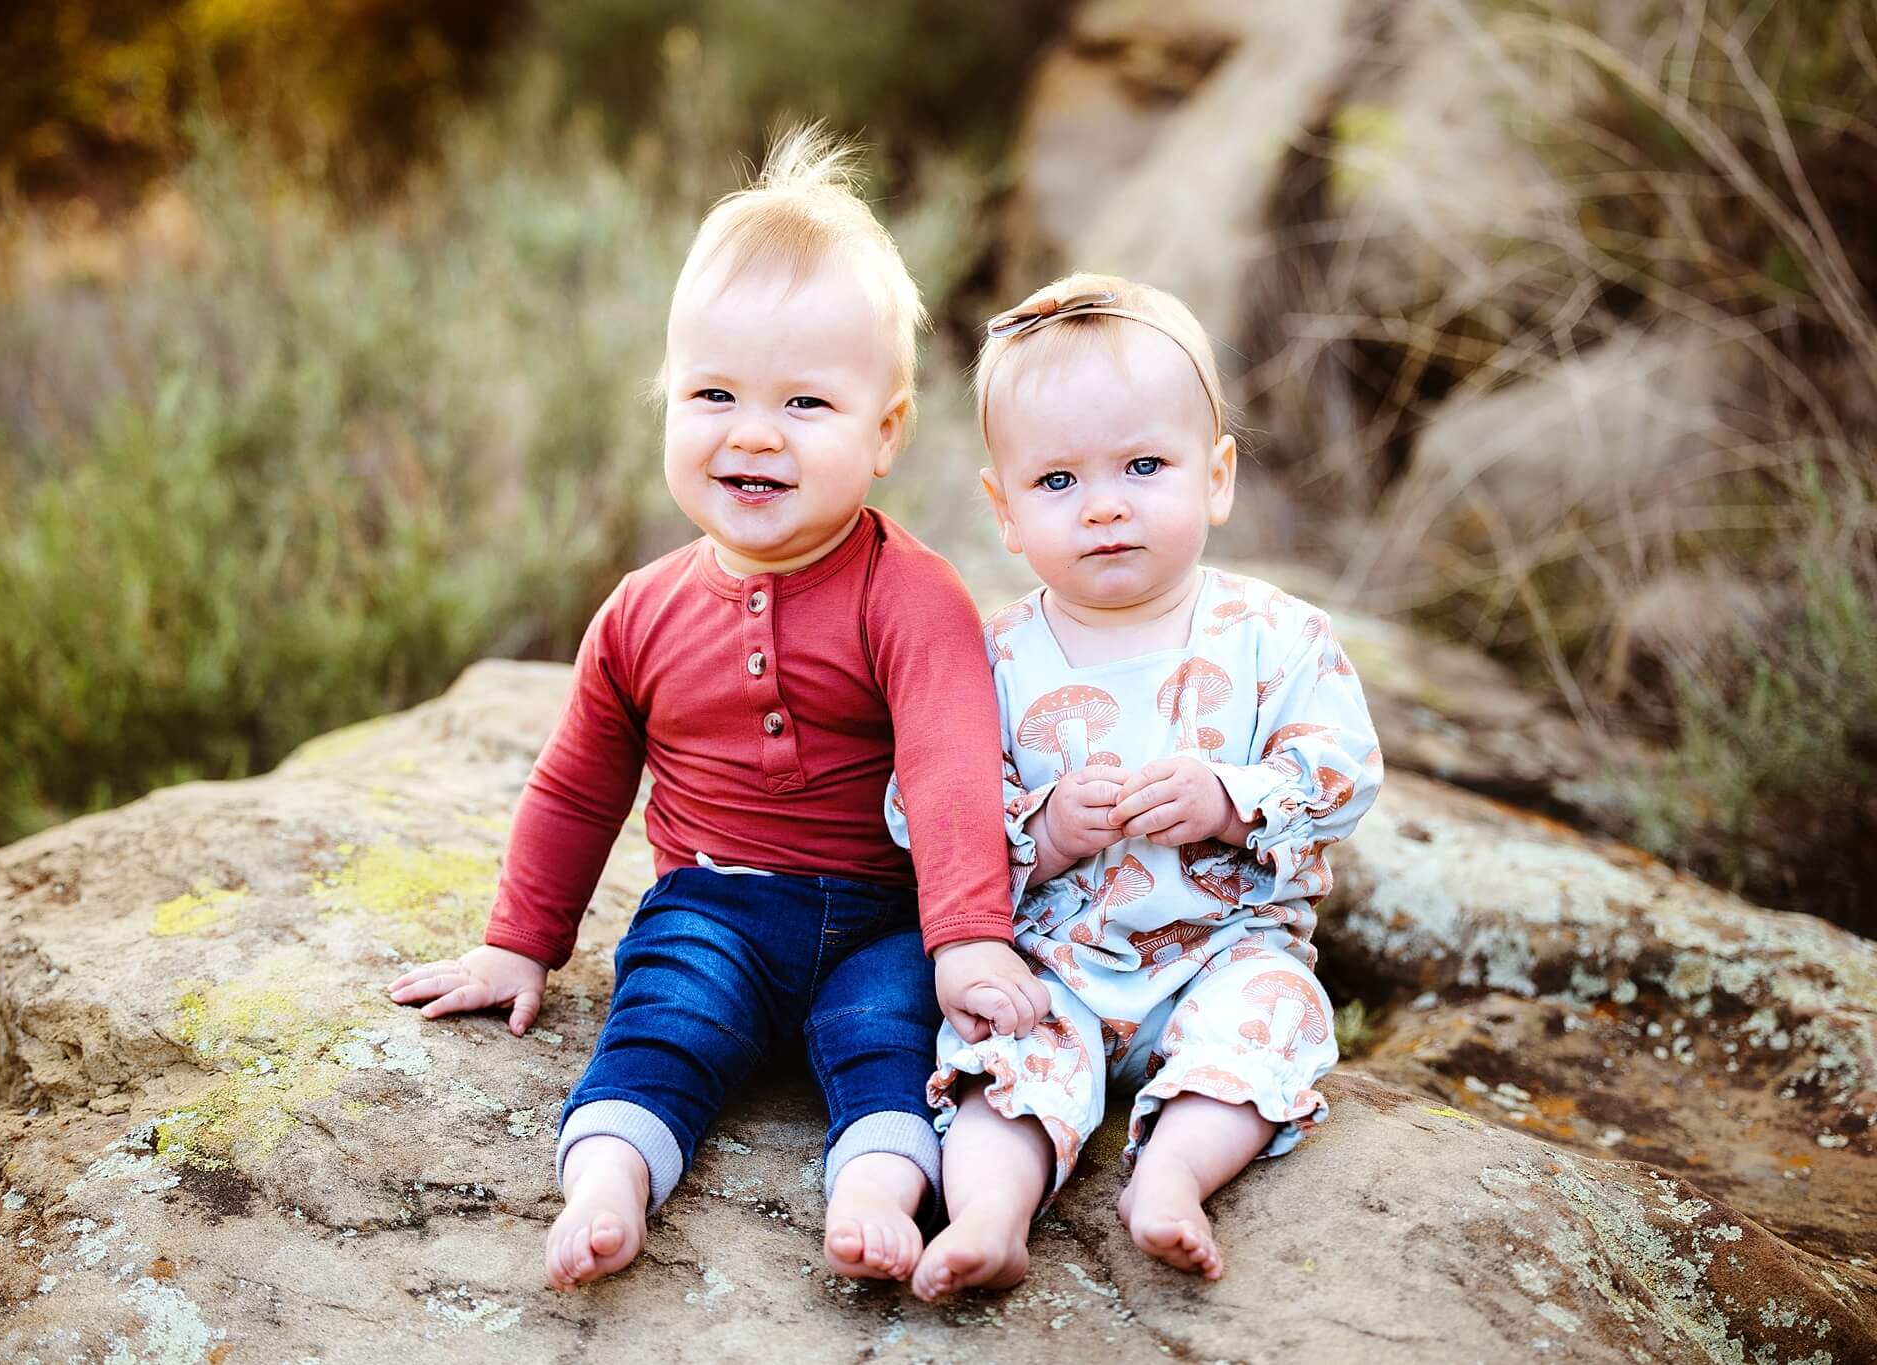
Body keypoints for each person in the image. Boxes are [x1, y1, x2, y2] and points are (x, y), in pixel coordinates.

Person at [386, 127, 1048, 1292]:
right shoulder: (640, 612)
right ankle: (607, 1184)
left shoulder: (913, 598)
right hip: (716, 901)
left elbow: (951, 772)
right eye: (712, 394)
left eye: (804, 401)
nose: (751, 432)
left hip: (883, 919)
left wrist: (968, 940)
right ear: (664, 403)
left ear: (883, 432)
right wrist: (517, 940)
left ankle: (874, 1195)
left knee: (894, 1044)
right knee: (659, 1018)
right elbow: (577, 780)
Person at [891, 273, 1382, 1301]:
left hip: (1223, 951)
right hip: (1053, 964)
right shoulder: (986, 656)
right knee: (998, 1058)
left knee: (1272, 1019)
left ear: (1215, 478)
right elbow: (920, 809)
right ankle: (990, 1211)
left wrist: (1227, 796)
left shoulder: (1272, 638)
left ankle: (1169, 1177)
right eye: (1057, 481)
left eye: (1143, 466)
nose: (1105, 505)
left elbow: (1343, 772)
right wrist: (1039, 830)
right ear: (1004, 510)